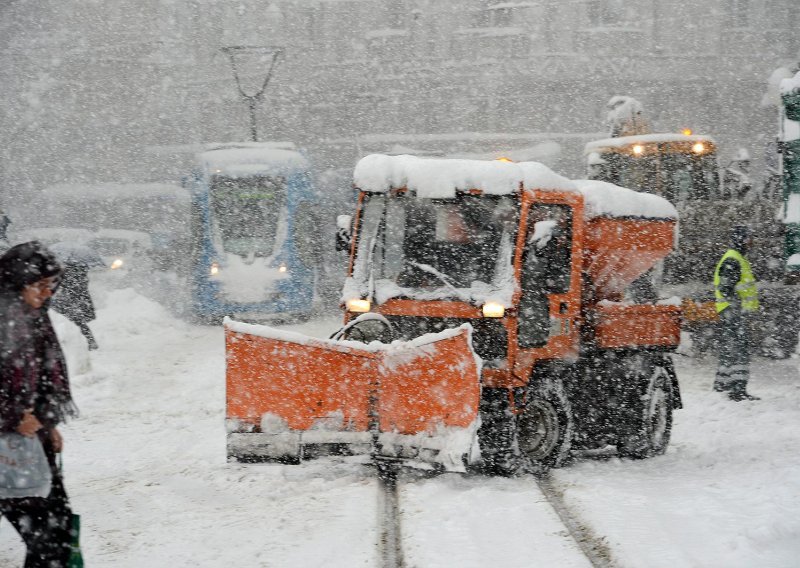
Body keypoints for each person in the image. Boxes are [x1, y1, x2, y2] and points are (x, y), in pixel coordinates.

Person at [0, 241, 78, 566]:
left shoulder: (34, 318)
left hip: (30, 440)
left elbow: (45, 376)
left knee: (56, 528)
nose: (48, 294)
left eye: (51, 285)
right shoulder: (6, 319)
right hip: (9, 442)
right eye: (41, 285)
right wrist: (13, 415)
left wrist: (48, 425)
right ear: (18, 281)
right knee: (48, 536)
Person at [713, 226, 760, 401]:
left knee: (730, 348)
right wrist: (737, 307)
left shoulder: (737, 258)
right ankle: (737, 390)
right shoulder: (733, 259)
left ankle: (722, 386)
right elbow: (726, 288)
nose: (751, 242)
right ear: (740, 239)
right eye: (748, 238)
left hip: (732, 311)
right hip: (733, 311)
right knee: (739, 349)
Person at [50, 258, 99, 350]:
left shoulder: (66, 272)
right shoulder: (82, 271)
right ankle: (90, 341)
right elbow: (82, 285)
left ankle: (88, 341)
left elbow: (62, 285)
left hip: (69, 301)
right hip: (78, 300)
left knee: (70, 321)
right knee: (79, 322)